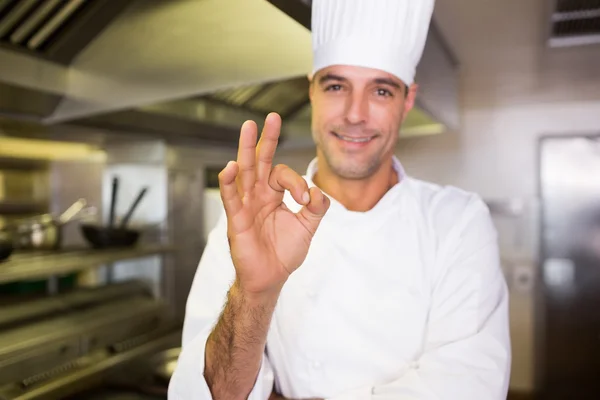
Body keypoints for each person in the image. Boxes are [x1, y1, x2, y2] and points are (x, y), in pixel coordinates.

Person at [168, 0, 511, 399]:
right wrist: (252, 295)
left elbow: (470, 388)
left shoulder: (457, 221)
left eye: (381, 90)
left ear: (408, 100)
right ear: (311, 89)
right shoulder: (250, 219)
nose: (354, 114)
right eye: (336, 86)